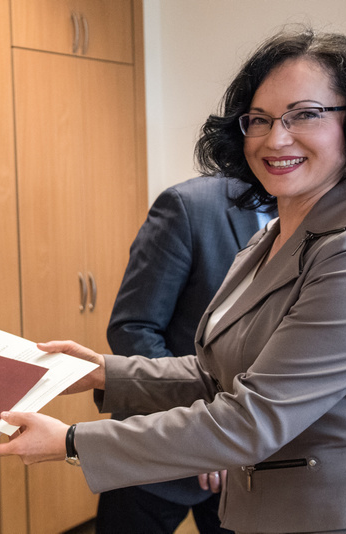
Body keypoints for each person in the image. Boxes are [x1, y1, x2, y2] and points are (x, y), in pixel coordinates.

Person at [0, 29, 346, 533]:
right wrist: (103, 373)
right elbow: (217, 376)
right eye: (259, 120)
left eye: (305, 114)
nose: (275, 138)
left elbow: (254, 418)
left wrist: (72, 441)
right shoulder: (270, 239)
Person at [98, 175, 274, 534]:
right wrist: (201, 436)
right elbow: (133, 327)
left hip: (254, 467)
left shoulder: (321, 222)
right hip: (156, 453)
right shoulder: (189, 207)